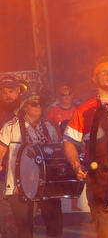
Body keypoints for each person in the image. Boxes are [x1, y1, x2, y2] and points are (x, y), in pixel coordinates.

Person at [63, 56, 108, 238]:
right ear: (94, 79)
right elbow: (69, 141)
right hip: (98, 182)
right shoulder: (84, 109)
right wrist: (75, 164)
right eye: (104, 72)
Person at [0, 90, 63, 238]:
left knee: (56, 225)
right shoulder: (10, 126)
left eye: (41, 103)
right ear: (24, 107)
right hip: (19, 186)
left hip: (47, 185)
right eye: (34, 104)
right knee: (25, 231)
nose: (39, 106)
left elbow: (58, 151)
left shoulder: (49, 126)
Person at [0, 75, 20, 237]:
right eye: (4, 92)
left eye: (11, 91)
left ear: (19, 91)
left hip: (27, 177)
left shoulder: (29, 109)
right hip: (3, 176)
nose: (8, 95)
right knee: (8, 221)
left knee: (26, 222)